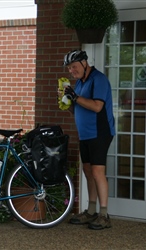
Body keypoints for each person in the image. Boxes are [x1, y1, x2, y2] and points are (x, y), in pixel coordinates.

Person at [61, 50, 115, 230]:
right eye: (69, 68)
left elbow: (97, 106)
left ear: (85, 63)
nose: (71, 71)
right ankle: (91, 211)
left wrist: (76, 97)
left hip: (100, 132)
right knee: (87, 171)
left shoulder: (98, 79)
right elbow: (78, 110)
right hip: (85, 134)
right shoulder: (79, 82)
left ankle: (104, 214)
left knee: (97, 171)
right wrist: (67, 102)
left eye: (74, 66)